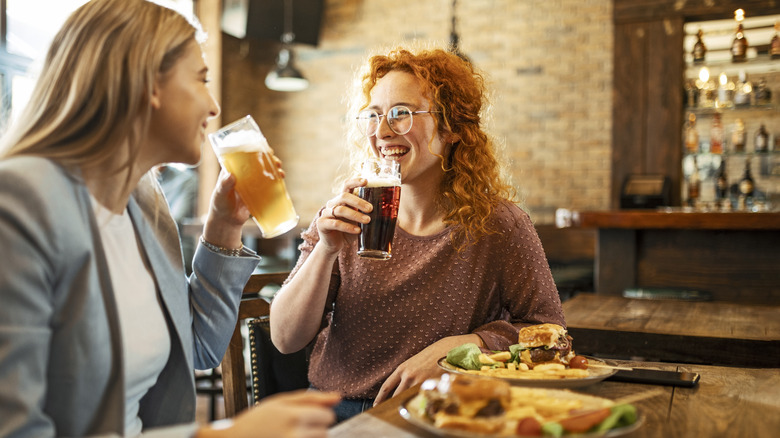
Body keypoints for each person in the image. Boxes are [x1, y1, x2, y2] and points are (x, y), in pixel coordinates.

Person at [0, 1, 339, 437]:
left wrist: (224, 226)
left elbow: (199, 346)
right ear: (148, 85)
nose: (214, 106)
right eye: (201, 79)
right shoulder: (20, 202)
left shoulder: (143, 198)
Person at [269, 46, 566, 422]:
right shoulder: (345, 213)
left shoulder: (500, 224)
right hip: (334, 413)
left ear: (453, 127)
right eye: (374, 116)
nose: (381, 132)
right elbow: (284, 338)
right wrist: (325, 250)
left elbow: (550, 330)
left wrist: (461, 349)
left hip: (440, 415)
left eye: (401, 114)